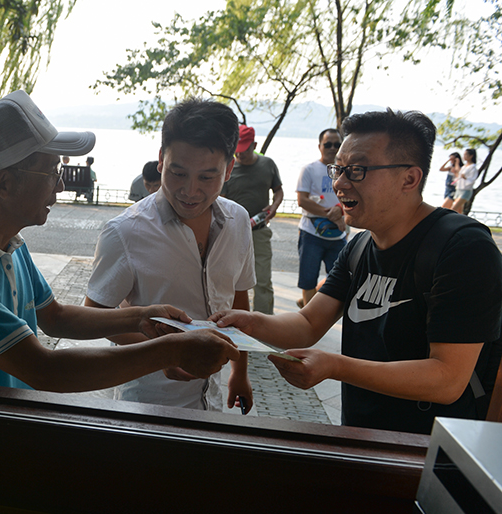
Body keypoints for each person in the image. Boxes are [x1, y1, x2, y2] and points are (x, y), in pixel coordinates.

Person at [0, 89, 240, 394]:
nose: (61, 185)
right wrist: (170, 351)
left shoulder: (9, 245)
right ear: (4, 184)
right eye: (52, 171)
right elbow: (44, 370)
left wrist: (140, 317)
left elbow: (57, 317)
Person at [212, 109, 502, 435]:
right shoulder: (359, 246)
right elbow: (308, 323)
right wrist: (250, 323)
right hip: (359, 435)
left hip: (428, 448)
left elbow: (448, 379)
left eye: (357, 170)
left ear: (409, 179)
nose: (339, 183)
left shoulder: (463, 248)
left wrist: (335, 366)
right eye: (338, 168)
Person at [85, 98, 256, 412]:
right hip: (147, 403)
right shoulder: (125, 231)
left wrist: (240, 372)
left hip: (212, 401)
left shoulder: (238, 221)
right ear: (161, 160)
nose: (190, 191)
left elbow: (238, 301)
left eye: (207, 177)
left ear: (229, 169)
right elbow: (94, 317)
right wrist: (162, 355)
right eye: (178, 173)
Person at [219, 125, 284, 314]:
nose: (240, 155)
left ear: (254, 145)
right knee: (230, 281)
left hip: (259, 232)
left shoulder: (267, 164)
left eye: (244, 150)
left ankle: (264, 323)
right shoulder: (227, 167)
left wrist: (274, 206)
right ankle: (231, 319)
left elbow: (278, 190)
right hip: (231, 232)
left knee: (263, 280)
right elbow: (220, 199)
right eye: (236, 151)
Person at [295, 129, 347, 308]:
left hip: (338, 235)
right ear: (320, 146)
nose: (332, 148)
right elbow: (302, 200)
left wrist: (339, 211)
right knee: (308, 279)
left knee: (340, 278)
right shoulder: (309, 170)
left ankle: (307, 303)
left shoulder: (346, 172)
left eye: (337, 144)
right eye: (328, 144)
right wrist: (331, 215)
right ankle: (307, 317)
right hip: (311, 233)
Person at [451, 148, 478, 214]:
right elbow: (459, 177)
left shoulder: (473, 167)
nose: (464, 156)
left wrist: (465, 177)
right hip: (459, 189)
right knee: (459, 211)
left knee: (453, 208)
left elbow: (472, 180)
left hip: (466, 190)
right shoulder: (464, 166)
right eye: (464, 154)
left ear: (471, 156)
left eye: (466, 154)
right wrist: (456, 173)